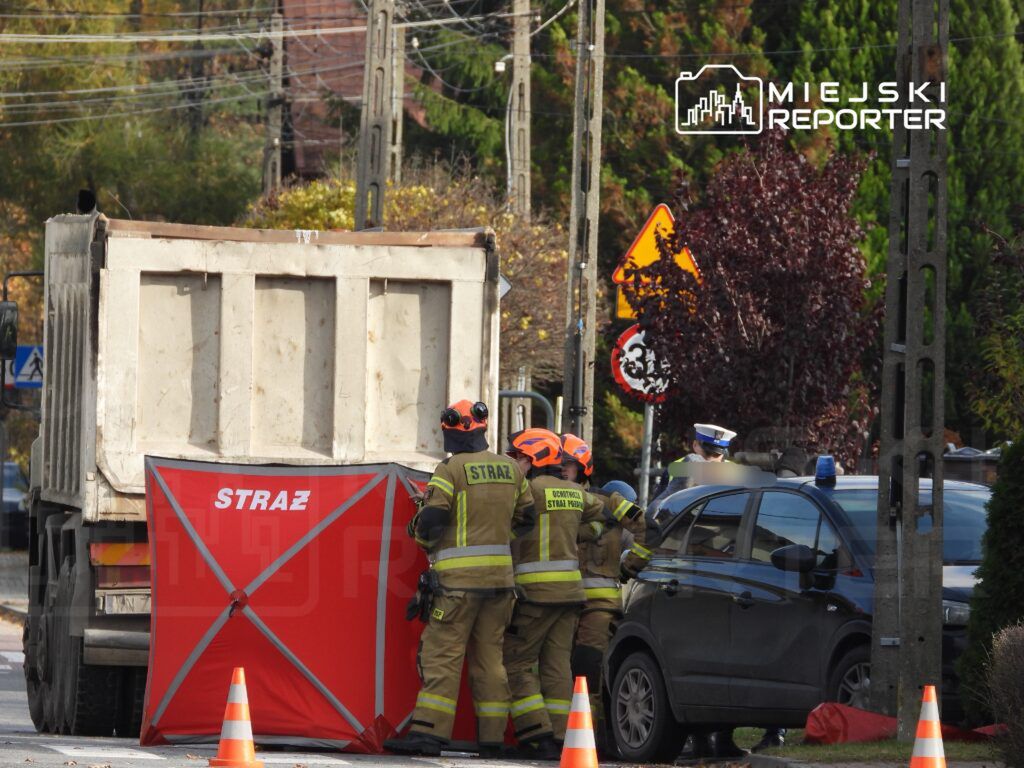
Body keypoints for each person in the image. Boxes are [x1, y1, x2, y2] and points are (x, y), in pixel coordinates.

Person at [384, 400, 536, 757]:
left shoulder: (449, 470)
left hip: (457, 587)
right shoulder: (511, 469)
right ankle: (493, 739)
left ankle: (428, 734)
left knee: (443, 655)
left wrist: (418, 528)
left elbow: (432, 523)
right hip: (500, 586)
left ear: (452, 430)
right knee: (490, 659)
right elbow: (527, 519)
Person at [503, 428, 607, 759]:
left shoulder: (527, 490)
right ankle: (564, 736)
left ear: (532, 459)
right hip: (571, 595)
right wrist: (590, 530)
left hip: (536, 595)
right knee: (557, 664)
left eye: (517, 456)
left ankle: (536, 734)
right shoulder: (575, 493)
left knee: (517, 663)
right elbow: (603, 513)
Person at [560, 434, 650, 756]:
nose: (562, 470)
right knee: (563, 671)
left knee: (588, 671)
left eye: (568, 464)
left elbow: (646, 528)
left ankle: (594, 743)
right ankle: (567, 737)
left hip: (598, 608)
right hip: (564, 604)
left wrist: (630, 566)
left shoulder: (609, 503)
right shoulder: (563, 501)